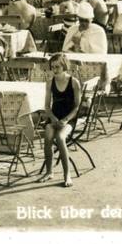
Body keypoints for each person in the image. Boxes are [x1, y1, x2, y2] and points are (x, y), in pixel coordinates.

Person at [37, 53, 82, 188]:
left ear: (64, 66)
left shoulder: (73, 82)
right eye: (52, 67)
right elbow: (46, 106)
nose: (54, 70)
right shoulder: (50, 82)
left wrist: (65, 120)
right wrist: (54, 119)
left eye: (57, 67)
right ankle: (49, 172)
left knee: (60, 137)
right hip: (55, 117)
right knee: (48, 135)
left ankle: (66, 174)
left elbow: (77, 107)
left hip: (69, 119)